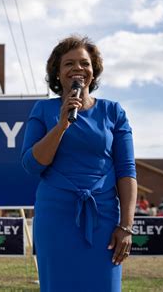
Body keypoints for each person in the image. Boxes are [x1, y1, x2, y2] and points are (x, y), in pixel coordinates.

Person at [21, 35, 137, 292]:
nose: (77, 68)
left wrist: (126, 226)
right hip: (56, 217)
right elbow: (31, 165)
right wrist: (62, 125)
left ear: (93, 72)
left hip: (104, 218)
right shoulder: (43, 110)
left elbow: (126, 172)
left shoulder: (113, 112)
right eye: (68, 63)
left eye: (84, 63)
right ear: (58, 74)